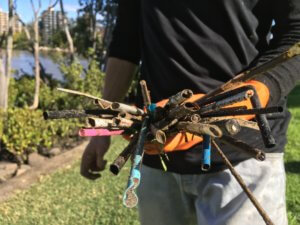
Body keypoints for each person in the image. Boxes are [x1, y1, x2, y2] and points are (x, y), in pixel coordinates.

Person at [80, 1, 300, 224]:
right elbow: (126, 40)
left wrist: (247, 97)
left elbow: (296, 30)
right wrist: (104, 123)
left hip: (244, 154)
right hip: (156, 151)